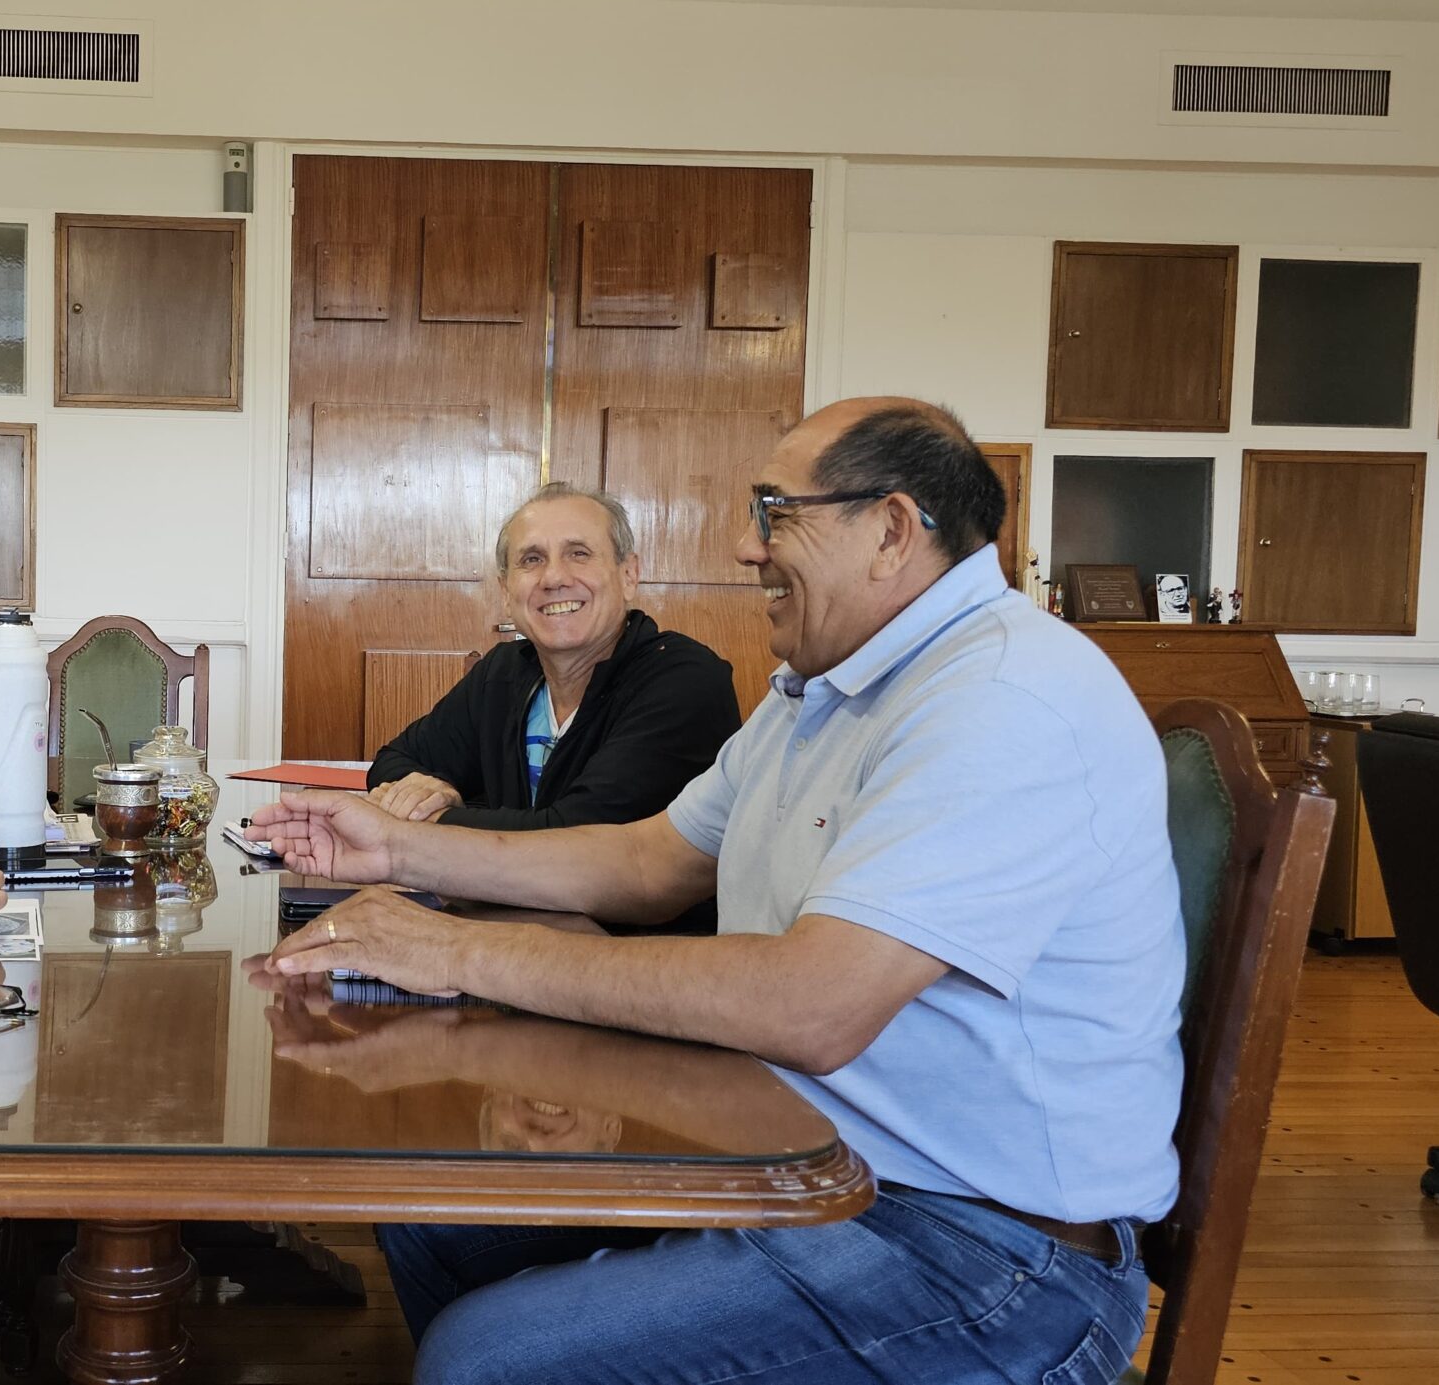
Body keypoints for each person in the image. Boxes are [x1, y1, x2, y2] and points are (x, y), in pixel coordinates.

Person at [251, 398, 1183, 1385]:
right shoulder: (818, 694)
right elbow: (649, 864)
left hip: (987, 1252)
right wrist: (395, 851)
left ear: (891, 530)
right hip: (798, 1161)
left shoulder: (1000, 700)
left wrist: (457, 951)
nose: (745, 545)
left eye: (774, 512)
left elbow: (810, 1003)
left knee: (486, 1361)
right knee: (434, 1218)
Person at [365, 483, 739, 845]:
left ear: (629, 575)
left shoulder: (685, 680)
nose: (555, 577)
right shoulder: (504, 672)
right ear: (506, 592)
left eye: (579, 553)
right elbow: (394, 761)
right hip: (507, 906)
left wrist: (435, 818)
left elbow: (576, 837)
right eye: (532, 559)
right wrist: (435, 791)